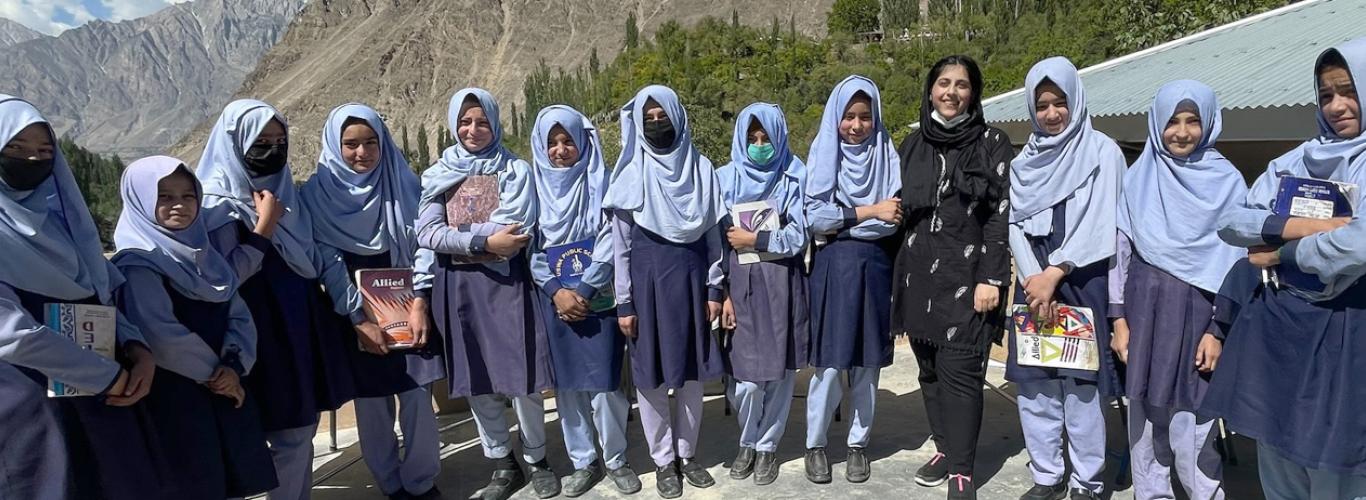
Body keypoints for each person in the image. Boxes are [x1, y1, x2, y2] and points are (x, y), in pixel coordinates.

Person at [1204, 37, 1366, 500]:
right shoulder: (1294, 161)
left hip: (1347, 331)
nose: (1337, 106)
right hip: (1282, 332)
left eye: (1348, 91)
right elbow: (1234, 221)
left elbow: (1358, 245)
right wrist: (1307, 224)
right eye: (1326, 95)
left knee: (1336, 466)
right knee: (1278, 451)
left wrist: (1280, 253)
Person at [0, 94, 165, 500]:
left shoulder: (63, 224)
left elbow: (99, 290)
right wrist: (106, 375)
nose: (31, 160)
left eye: (43, 151)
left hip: (103, 396)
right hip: (34, 407)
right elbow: (12, 332)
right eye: (16, 149)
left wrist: (135, 345)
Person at [197, 99, 359, 500]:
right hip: (243, 330)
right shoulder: (212, 205)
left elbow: (316, 254)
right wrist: (264, 228)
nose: (272, 149)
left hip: (296, 324)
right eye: (260, 141)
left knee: (297, 429)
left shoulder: (291, 194)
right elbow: (219, 280)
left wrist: (355, 309)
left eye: (279, 140)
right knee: (242, 430)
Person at [416, 88, 556, 500]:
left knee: (523, 379)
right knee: (478, 380)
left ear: (495, 123)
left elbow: (514, 231)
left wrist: (457, 237)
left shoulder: (515, 171)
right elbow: (425, 233)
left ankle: (537, 457)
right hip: (459, 291)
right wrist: (482, 241)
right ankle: (502, 462)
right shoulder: (438, 173)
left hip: (507, 288)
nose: (472, 130)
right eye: (464, 121)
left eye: (481, 121)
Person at [300, 103, 445, 500]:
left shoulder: (403, 183)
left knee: (417, 396)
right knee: (372, 403)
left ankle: (421, 481)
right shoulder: (316, 196)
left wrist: (419, 299)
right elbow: (327, 258)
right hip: (355, 312)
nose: (362, 153)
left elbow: (426, 242)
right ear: (334, 145)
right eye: (351, 144)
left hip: (409, 303)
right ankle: (390, 484)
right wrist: (356, 316)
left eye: (370, 143)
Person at [113, 155, 279, 499]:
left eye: (188, 197)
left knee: (228, 477)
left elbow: (238, 313)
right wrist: (215, 374)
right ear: (140, 200)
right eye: (165, 197)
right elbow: (160, 334)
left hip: (222, 385)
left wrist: (234, 365)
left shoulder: (205, 258)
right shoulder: (138, 263)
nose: (179, 206)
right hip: (177, 394)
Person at [1111, 80, 1243, 500]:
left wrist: (1218, 330)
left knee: (1195, 424)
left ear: (1209, 124)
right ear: (1156, 125)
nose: (1182, 132)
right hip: (1144, 313)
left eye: (1193, 121)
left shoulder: (1228, 183)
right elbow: (1120, 252)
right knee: (1147, 421)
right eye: (1172, 122)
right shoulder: (1139, 179)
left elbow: (1237, 265)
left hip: (1200, 317)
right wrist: (1118, 320)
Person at [893, 54, 1012, 500]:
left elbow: (1000, 213)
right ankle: (944, 447)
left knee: (960, 372)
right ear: (930, 90)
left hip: (968, 275)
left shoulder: (991, 142)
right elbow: (898, 207)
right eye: (943, 83)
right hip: (918, 275)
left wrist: (992, 279)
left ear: (974, 94)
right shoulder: (912, 144)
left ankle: (962, 471)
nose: (951, 92)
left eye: (962, 85)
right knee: (928, 372)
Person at [1006, 57, 1125, 500]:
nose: (1052, 114)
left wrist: (1056, 272)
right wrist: (1035, 278)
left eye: (1060, 103)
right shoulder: (1025, 161)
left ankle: (1087, 482)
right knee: (1036, 387)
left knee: (1081, 389)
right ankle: (1047, 476)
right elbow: (1015, 222)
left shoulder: (1102, 152)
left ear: (1075, 101)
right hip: (1035, 284)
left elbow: (1105, 221)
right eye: (1042, 105)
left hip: (1080, 279)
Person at [603, 84, 726, 499]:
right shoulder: (629, 175)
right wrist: (624, 302)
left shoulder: (702, 170)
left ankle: (687, 455)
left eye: (664, 115)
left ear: (679, 117)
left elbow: (712, 238)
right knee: (651, 379)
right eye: (649, 118)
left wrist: (714, 287)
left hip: (693, 285)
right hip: (647, 288)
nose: (658, 124)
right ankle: (662, 461)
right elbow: (620, 249)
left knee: (691, 375)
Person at [527, 104, 642, 497]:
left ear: (582, 143)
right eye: (552, 143)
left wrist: (586, 289)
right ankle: (583, 461)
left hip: (598, 298)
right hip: (554, 300)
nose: (561, 150)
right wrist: (557, 291)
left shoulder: (601, 183)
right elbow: (530, 247)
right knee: (569, 388)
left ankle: (616, 459)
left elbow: (612, 238)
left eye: (568, 141)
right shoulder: (533, 189)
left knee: (607, 384)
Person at [803, 75, 902, 485]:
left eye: (865, 116)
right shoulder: (823, 154)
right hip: (832, 270)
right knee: (828, 366)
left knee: (866, 365)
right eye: (848, 116)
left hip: (875, 269)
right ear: (835, 118)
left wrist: (846, 218)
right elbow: (814, 217)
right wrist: (869, 212)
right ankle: (816, 444)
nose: (857, 125)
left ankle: (858, 445)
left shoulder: (887, 154)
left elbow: (893, 219)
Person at [715, 102, 809, 486]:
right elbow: (717, 245)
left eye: (765, 138)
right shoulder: (724, 179)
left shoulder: (795, 177)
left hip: (783, 283)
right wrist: (722, 293)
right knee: (747, 378)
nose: (759, 145)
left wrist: (756, 238)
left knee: (781, 373)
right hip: (740, 286)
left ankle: (767, 447)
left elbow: (799, 235)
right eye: (752, 138)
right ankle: (747, 441)